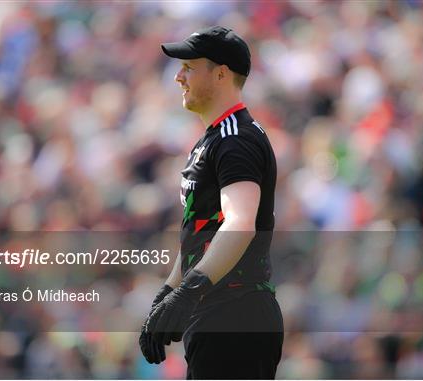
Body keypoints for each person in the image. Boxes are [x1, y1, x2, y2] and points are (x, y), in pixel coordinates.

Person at [139, 26, 283, 379]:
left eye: (189, 67)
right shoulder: (214, 138)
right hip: (219, 317)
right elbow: (201, 230)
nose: (178, 77)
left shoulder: (236, 139)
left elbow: (239, 224)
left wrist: (189, 292)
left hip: (237, 315)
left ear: (221, 73)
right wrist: (168, 292)